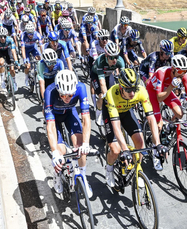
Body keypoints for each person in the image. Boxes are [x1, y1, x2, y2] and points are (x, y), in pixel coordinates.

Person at [102, 67, 164, 188]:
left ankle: (138, 170)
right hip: (111, 114)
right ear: (121, 87)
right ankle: (109, 169)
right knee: (116, 150)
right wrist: (125, 149)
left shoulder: (141, 91)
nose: (132, 93)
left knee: (140, 142)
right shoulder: (111, 94)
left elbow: (151, 118)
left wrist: (157, 143)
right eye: (128, 89)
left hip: (126, 111)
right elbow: (116, 126)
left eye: (134, 89)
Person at [44, 69, 93, 199]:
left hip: (70, 113)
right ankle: (57, 175)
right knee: (60, 151)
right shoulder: (49, 92)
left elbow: (86, 119)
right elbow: (50, 126)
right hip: (55, 117)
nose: (66, 98)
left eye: (70, 95)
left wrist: (86, 143)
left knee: (80, 146)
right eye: (63, 95)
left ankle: (83, 176)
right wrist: (54, 152)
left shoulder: (81, 87)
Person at [145, 54, 187, 130]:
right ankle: (155, 136)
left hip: (165, 89)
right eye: (180, 71)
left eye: (185, 70)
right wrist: (171, 86)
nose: (183, 74)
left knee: (179, 114)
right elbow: (159, 98)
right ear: (173, 69)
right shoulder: (161, 73)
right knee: (159, 126)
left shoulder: (184, 75)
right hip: (152, 90)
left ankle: (169, 126)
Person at [91, 40, 126, 109]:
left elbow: (124, 78)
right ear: (106, 56)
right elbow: (102, 83)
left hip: (108, 74)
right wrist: (107, 98)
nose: (115, 60)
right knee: (102, 95)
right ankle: (98, 111)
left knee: (113, 93)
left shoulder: (120, 61)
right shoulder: (100, 61)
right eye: (112, 57)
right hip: (96, 74)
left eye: (116, 56)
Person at [0, 27, 22, 95]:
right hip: (0, 52)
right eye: (1, 37)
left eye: (4, 36)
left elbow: (13, 51)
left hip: (8, 51)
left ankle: (14, 82)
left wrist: (16, 61)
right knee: (1, 63)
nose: (3, 38)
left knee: (12, 68)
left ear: (6, 36)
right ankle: (2, 79)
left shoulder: (10, 39)